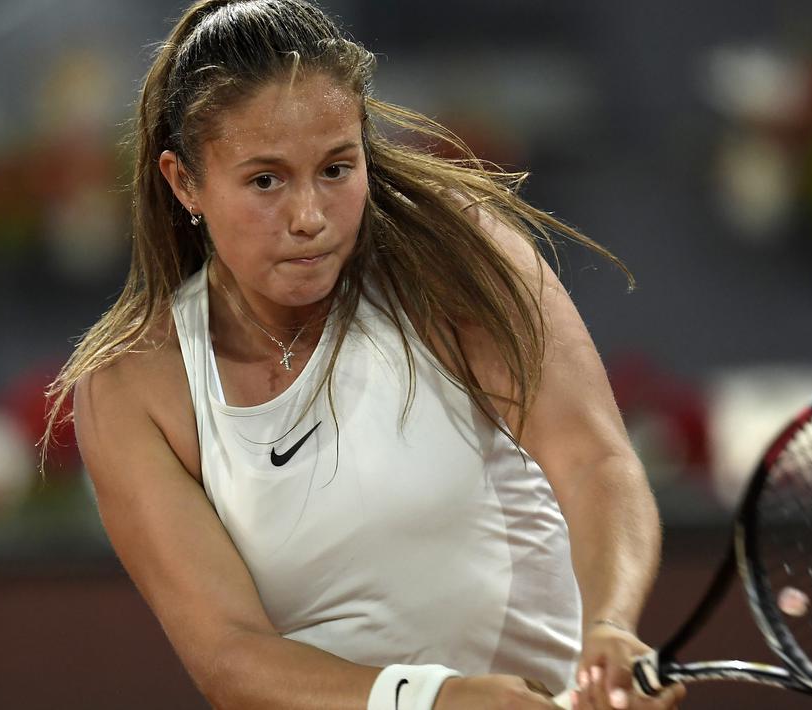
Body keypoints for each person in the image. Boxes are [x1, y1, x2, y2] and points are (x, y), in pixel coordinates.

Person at [46, 1, 686, 708]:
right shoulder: (131, 387)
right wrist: (436, 701)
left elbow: (593, 459)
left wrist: (609, 623)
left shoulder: (457, 258)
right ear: (183, 181)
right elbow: (230, 658)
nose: (309, 216)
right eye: (265, 180)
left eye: (335, 169)